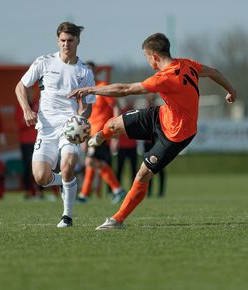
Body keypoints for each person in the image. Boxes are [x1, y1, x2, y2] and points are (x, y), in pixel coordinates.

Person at [68, 33, 236, 230]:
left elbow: (124, 89)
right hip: (161, 117)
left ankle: (117, 220)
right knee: (114, 124)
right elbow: (213, 71)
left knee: (142, 175)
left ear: (154, 56)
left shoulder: (165, 78)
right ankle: (101, 136)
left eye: (147, 58)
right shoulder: (187, 64)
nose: (148, 62)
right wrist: (231, 90)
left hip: (176, 135)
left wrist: (90, 90)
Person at [15, 22, 95, 227]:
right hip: (46, 128)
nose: (65, 44)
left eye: (70, 40)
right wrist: (26, 109)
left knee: (67, 166)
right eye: (62, 41)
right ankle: (67, 183)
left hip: (69, 127)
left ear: (78, 41)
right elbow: (20, 87)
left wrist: (81, 120)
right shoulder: (43, 63)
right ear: (57, 40)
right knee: (41, 177)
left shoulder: (84, 72)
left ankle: (67, 216)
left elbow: (87, 106)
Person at [77, 61, 126, 204]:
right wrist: (83, 138)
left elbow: (115, 106)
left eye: (91, 71)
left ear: (96, 72)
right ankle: (87, 194)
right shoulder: (84, 91)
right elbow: (83, 115)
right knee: (94, 162)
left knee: (91, 161)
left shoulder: (102, 87)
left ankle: (114, 190)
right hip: (90, 133)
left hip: (103, 132)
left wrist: (116, 131)